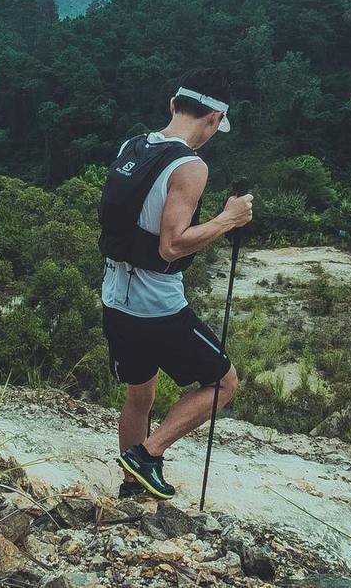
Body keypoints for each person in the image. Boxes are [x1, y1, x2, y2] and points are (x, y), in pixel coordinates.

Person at [98, 67, 254, 500]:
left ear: (173, 105)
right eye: (216, 127)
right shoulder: (189, 165)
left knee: (139, 394)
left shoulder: (132, 146)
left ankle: (133, 486)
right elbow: (171, 246)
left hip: (114, 298)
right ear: (212, 118)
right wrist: (228, 219)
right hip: (157, 307)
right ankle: (148, 455)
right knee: (224, 382)